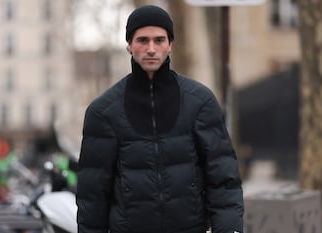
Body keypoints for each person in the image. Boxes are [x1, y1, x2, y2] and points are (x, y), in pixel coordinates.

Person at [76, 5, 244, 233]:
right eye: (142, 40)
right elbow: (92, 194)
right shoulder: (103, 112)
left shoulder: (200, 102)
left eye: (159, 40)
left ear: (170, 44)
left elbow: (223, 178)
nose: (151, 48)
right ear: (129, 45)